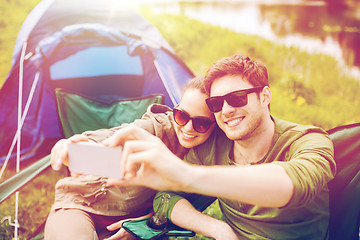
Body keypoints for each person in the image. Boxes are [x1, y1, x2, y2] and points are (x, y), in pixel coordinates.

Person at [108, 55, 336, 239]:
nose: (225, 110)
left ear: (265, 96)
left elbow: (292, 185)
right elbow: (165, 199)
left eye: (237, 98)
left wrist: (186, 175)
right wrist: (218, 229)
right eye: (216, 103)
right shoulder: (214, 146)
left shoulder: (309, 140)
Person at [44, 76, 237, 240]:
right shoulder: (157, 128)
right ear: (175, 109)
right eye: (182, 115)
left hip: (136, 226)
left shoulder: (214, 158)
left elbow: (178, 204)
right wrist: (77, 146)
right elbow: (119, 135)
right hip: (83, 204)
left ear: (216, 124)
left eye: (201, 123)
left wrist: (143, 226)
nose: (187, 128)